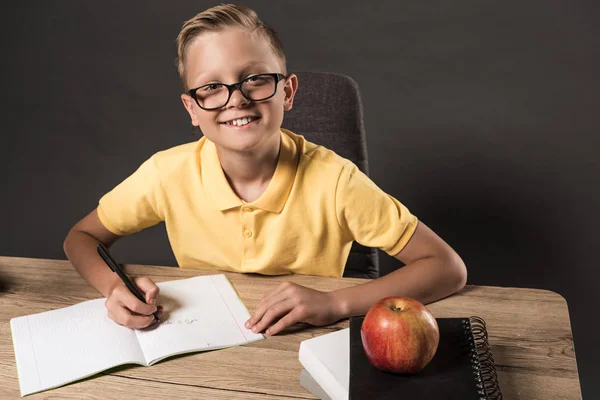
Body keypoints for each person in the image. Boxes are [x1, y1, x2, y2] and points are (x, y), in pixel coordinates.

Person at [63, 4, 467, 336]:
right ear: (191, 108)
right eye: (211, 87)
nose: (235, 99)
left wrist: (335, 303)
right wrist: (116, 288)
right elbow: (80, 237)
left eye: (254, 79)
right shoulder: (166, 173)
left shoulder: (336, 181)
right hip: (199, 341)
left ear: (287, 92)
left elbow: (447, 268)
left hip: (304, 342)